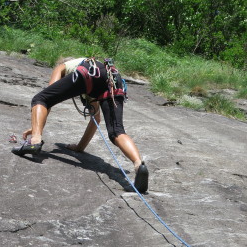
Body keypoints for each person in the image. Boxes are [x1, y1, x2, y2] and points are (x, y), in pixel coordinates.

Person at [13, 57, 149, 193]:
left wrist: (37, 129)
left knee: (39, 98)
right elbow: (95, 119)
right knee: (117, 131)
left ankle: (35, 141)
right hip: (112, 78)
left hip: (88, 75)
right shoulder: (97, 70)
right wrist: (79, 148)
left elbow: (48, 97)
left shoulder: (62, 66)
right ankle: (138, 164)